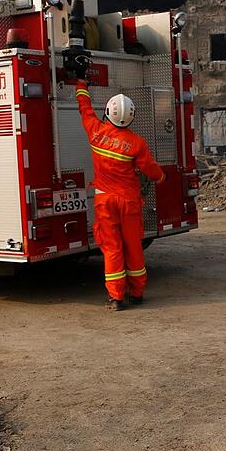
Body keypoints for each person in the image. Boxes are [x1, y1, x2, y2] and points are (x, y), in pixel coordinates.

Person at [74, 69, 164, 311]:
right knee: (133, 246)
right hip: (130, 202)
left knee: (112, 248)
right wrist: (162, 176)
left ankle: (116, 297)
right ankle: (137, 293)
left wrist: (81, 84)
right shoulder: (136, 143)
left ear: (108, 113)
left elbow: (85, 109)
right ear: (131, 118)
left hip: (105, 202)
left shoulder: (95, 132)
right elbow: (150, 169)